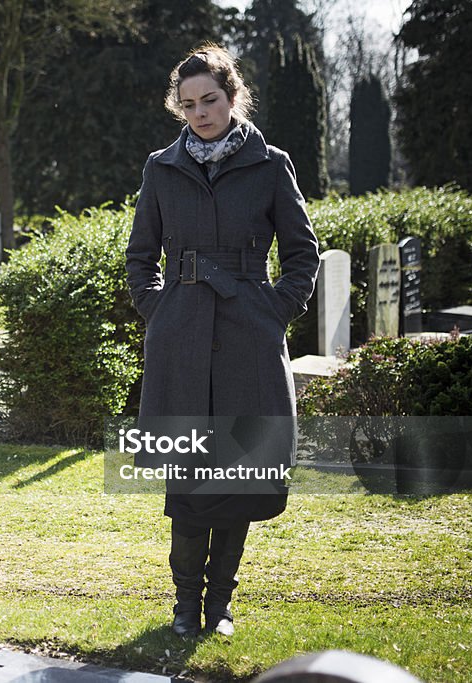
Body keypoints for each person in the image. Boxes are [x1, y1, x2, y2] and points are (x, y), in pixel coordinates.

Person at [124, 43, 319, 638]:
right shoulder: (161, 167)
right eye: (188, 104)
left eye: (210, 99)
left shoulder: (270, 163)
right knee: (186, 480)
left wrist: (274, 311)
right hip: (180, 338)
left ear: (233, 97)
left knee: (239, 477)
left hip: (247, 338)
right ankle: (185, 605)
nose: (200, 113)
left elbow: (301, 251)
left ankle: (221, 605)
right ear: (177, 108)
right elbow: (140, 257)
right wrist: (160, 311)